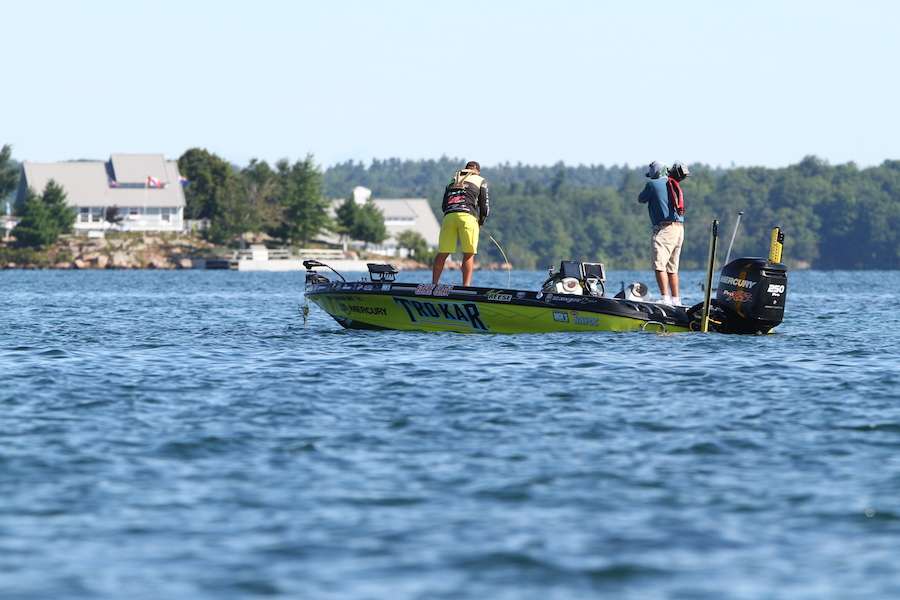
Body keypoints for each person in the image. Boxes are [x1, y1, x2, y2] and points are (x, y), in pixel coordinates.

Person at [637, 160, 688, 306]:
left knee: (659, 265)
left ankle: (665, 298)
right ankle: (676, 300)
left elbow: (641, 199)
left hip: (665, 230)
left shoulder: (652, 185)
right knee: (672, 268)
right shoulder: (673, 183)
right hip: (679, 229)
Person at [432, 160, 490, 286]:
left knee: (443, 253)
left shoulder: (452, 180)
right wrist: (481, 221)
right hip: (468, 218)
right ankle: (466, 286)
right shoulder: (481, 180)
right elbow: (484, 206)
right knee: (469, 253)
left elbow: (444, 205)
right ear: (477, 171)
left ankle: (434, 284)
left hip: (449, 217)